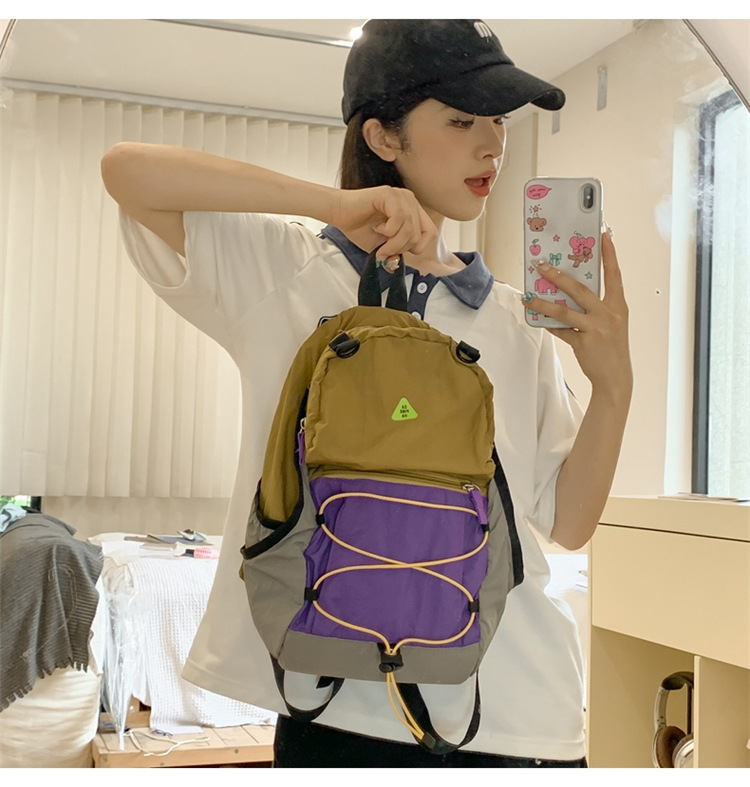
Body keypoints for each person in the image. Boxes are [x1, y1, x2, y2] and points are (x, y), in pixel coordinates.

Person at [101, 19, 632, 767]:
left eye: (499, 121)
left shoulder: (518, 319)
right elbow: (127, 171)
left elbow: (569, 523)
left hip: (516, 713)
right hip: (330, 699)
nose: (493, 144)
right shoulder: (286, 269)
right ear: (382, 135)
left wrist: (614, 384)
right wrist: (335, 204)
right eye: (462, 120)